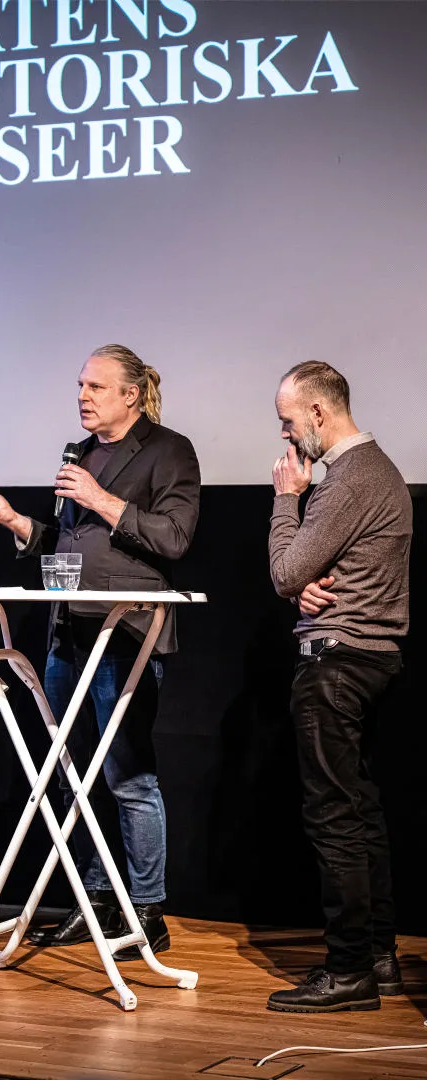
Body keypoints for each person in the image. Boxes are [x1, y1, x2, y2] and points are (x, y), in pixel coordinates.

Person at [0, 344, 200, 956]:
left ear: (132, 394)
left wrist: (97, 497)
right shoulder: (82, 455)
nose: (83, 396)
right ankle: (93, 900)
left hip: (126, 632)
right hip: (67, 630)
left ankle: (147, 909)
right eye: (79, 386)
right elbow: (64, 550)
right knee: (70, 771)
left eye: (95, 386)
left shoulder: (169, 450)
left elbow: (174, 538)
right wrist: (17, 524)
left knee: (127, 774)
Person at [266, 362, 411, 1013]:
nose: (288, 439)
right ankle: (378, 960)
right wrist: (306, 578)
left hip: (336, 663)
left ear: (319, 413)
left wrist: (286, 499)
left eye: (289, 423)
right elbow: (308, 573)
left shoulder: (348, 480)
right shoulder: (378, 473)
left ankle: (350, 969)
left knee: (335, 820)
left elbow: (285, 571)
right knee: (359, 812)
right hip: (370, 660)